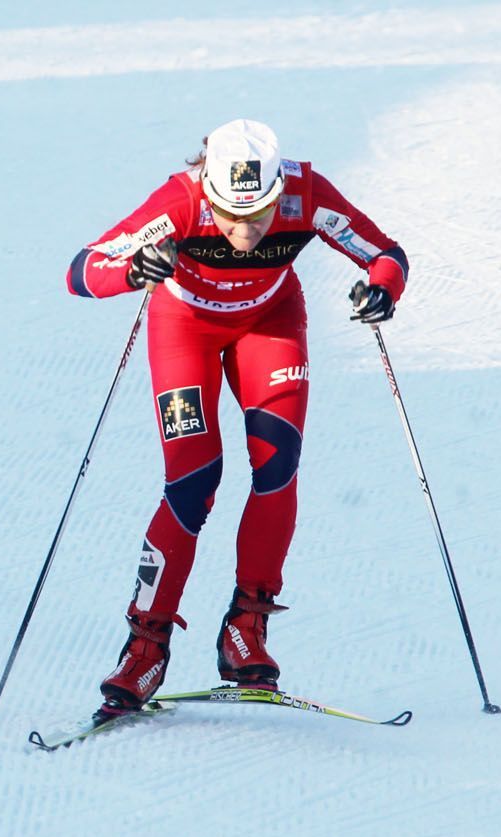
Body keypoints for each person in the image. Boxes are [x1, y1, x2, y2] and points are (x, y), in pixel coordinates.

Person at [65, 119, 407, 719]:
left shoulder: (307, 194)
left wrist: (382, 288)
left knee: (277, 468)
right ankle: (147, 643)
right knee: (193, 481)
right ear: (210, 194)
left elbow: (385, 253)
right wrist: (131, 272)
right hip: (185, 331)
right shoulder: (181, 200)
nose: (245, 232)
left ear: (279, 195)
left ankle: (246, 626)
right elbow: (81, 269)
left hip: (269, 324)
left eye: (260, 216)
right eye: (229, 217)